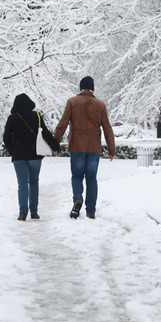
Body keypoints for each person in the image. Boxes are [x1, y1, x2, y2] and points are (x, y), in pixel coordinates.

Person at [53, 76, 116, 219]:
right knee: (91, 178)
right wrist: (112, 150)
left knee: (76, 176)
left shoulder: (72, 102)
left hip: (76, 146)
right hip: (93, 148)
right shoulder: (100, 105)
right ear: (92, 88)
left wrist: (55, 141)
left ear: (80, 88)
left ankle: (77, 199)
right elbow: (107, 129)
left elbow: (62, 123)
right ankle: (91, 211)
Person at [2, 93, 60, 221]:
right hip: (35, 155)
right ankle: (34, 212)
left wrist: (13, 151)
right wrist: (55, 147)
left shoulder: (12, 118)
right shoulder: (37, 116)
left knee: (22, 185)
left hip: (19, 157)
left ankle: (22, 214)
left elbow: (6, 138)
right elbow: (45, 133)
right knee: (34, 182)